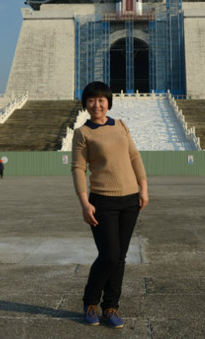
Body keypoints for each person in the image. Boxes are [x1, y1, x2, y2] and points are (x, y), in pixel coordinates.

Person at [71, 81, 149, 328]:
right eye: (92, 100)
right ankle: (90, 301)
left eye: (101, 99)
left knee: (120, 257)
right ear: (85, 104)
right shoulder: (83, 133)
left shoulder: (121, 125)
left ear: (108, 102)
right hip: (102, 200)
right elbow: (78, 168)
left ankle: (111, 307)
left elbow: (134, 156)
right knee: (109, 255)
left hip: (129, 199)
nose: (97, 104)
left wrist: (143, 186)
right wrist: (85, 203)